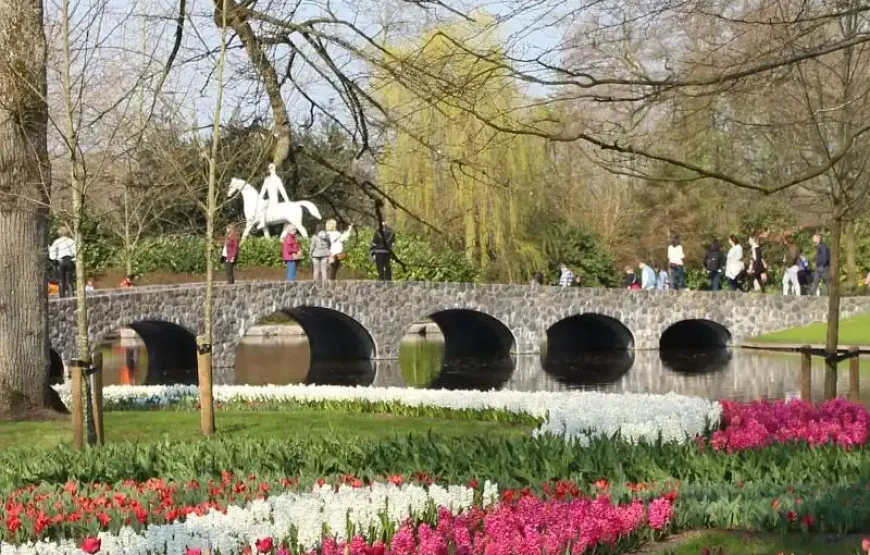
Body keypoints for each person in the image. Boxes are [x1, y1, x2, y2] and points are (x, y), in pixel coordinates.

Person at [258, 163, 291, 231]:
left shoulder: (277, 179)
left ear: (274, 168)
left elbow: (282, 190)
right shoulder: (267, 179)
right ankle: (262, 221)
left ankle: (262, 222)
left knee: (264, 206)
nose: (270, 169)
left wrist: (287, 200)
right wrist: (259, 199)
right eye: (269, 168)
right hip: (269, 199)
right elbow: (263, 190)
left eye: (272, 167)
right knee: (261, 205)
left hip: (274, 200)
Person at [49, 227, 76, 298]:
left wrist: (54, 259)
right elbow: (75, 252)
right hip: (69, 261)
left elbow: (52, 253)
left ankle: (62, 297)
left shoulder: (57, 242)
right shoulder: (71, 241)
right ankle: (71, 296)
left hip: (61, 261)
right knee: (69, 281)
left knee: (61, 281)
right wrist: (74, 259)